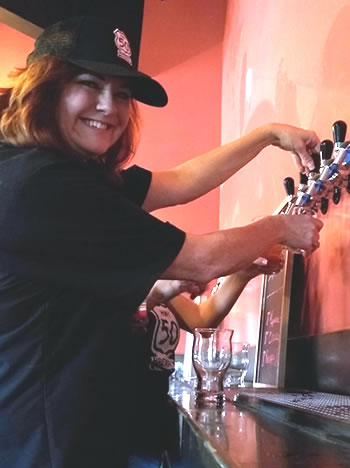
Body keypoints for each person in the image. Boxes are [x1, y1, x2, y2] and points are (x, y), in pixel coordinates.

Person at [0, 15, 323, 468]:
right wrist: (280, 228)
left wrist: (267, 135)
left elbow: (181, 181)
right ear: (45, 87)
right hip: (43, 446)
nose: (109, 107)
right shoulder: (44, 185)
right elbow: (199, 260)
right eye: (90, 84)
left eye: (123, 93)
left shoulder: (64, 174)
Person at [129, 253, 283, 467]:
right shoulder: (104, 268)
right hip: (114, 426)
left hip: (150, 419)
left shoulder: (147, 272)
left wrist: (242, 274)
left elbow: (201, 319)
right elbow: (115, 321)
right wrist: (158, 291)